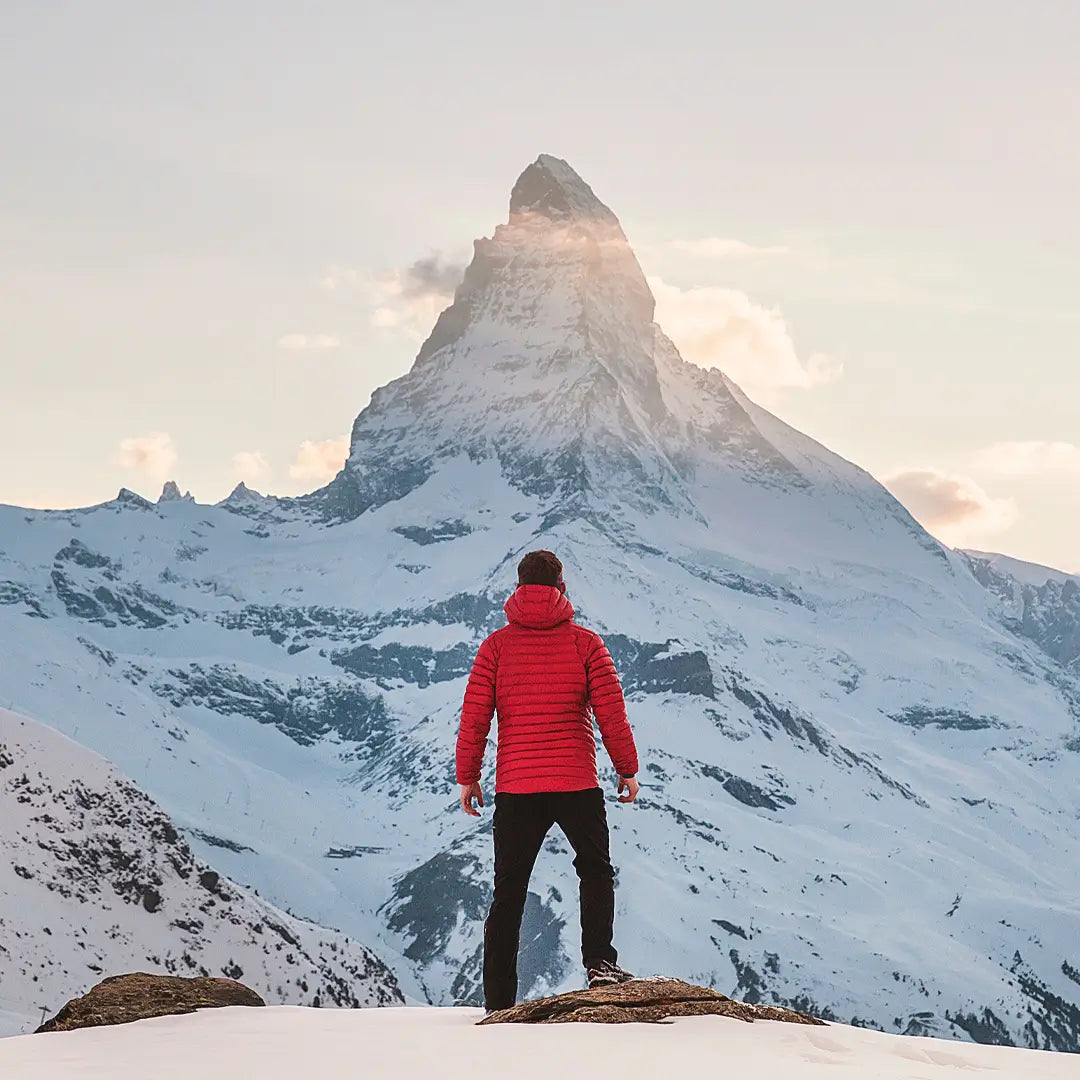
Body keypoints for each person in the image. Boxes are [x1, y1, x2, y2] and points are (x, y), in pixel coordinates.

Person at [455, 549, 641, 1013]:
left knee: (509, 890)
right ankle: (600, 963)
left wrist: (468, 777)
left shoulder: (495, 647)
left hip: (517, 788)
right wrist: (627, 769)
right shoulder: (586, 644)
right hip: (576, 781)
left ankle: (499, 1002)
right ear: (561, 587)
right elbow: (610, 713)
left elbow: (475, 717)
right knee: (594, 870)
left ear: (518, 588)